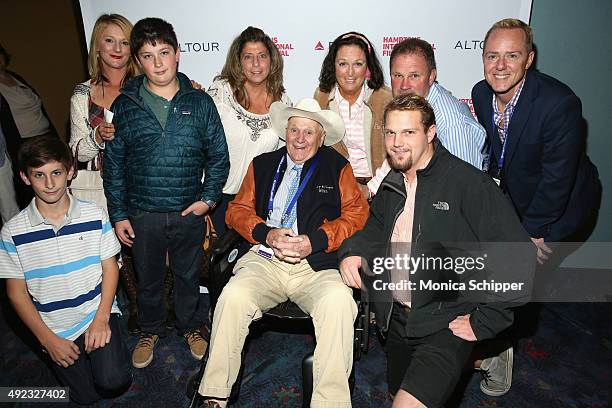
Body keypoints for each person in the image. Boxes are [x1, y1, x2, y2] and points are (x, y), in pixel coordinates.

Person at [338, 94, 535, 408]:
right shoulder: (394, 177)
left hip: (447, 324)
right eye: (390, 133)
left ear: (430, 133)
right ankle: (485, 359)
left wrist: (485, 321)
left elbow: (519, 259)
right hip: (398, 321)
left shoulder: (469, 184)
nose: (397, 142)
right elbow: (375, 227)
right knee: (395, 393)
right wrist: (354, 251)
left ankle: (489, 351)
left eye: (409, 132)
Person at [197, 98, 369, 407]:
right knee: (233, 297)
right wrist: (267, 233)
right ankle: (214, 395)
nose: (300, 139)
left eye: (308, 132)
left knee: (339, 303)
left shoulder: (338, 168)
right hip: (266, 259)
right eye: (294, 130)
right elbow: (236, 211)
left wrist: (315, 240)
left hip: (317, 265)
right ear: (285, 132)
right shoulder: (262, 165)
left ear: (320, 137)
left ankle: (330, 403)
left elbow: (358, 216)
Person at [471, 18, 600, 396]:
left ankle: (500, 352)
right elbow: (503, 151)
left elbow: (556, 180)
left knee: (517, 275)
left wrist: (530, 234)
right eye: (492, 55)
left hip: (562, 205)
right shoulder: (481, 94)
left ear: (529, 59)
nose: (500, 65)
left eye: (511, 55)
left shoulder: (559, 104)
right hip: (521, 192)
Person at [103, 17, 229, 369]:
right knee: (148, 277)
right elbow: (113, 165)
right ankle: (150, 329)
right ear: (138, 61)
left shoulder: (200, 103)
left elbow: (218, 155)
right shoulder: (125, 106)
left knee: (189, 276)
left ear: (177, 54)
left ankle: (191, 326)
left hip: (188, 211)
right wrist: (119, 214)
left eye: (164, 53)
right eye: (147, 55)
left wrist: (208, 199)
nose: (158, 63)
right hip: (142, 213)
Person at [0, 135, 132, 405]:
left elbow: (110, 268)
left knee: (112, 381)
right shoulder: (12, 232)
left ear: (70, 171)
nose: (49, 184)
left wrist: (102, 318)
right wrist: (47, 340)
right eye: (39, 175)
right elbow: (16, 294)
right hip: (54, 326)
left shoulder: (94, 214)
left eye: (56, 172)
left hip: (95, 312)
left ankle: (113, 345)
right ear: (25, 178)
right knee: (83, 397)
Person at [367, 38, 486, 194]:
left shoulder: (450, 122)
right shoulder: (410, 109)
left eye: (414, 76)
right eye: (397, 75)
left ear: (431, 77)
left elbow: (469, 188)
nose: (404, 85)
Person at [207, 26, 291, 234]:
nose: (256, 64)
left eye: (262, 56)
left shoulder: (283, 103)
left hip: (258, 202)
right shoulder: (220, 93)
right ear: (238, 61)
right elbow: (197, 144)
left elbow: (284, 160)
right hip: (217, 198)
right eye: (248, 57)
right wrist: (202, 199)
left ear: (271, 60)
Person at [68, 13, 139, 210]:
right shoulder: (83, 95)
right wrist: (97, 136)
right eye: (109, 40)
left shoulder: (147, 89)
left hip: (144, 191)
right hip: (101, 195)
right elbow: (78, 153)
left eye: (124, 42)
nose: (117, 49)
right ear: (97, 46)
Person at [314, 31, 392, 199]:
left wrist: (370, 189)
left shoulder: (384, 99)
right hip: (334, 185)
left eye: (358, 64)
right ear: (333, 65)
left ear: (368, 67)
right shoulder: (322, 97)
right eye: (343, 64)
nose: (350, 73)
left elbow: (395, 150)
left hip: (379, 187)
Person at [0, 43, 58, 210]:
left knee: (56, 181)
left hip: (46, 136)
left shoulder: (15, 77)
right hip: (24, 144)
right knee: (35, 188)